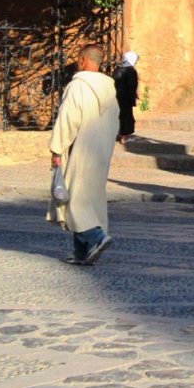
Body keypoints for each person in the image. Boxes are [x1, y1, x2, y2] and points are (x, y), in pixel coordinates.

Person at [47, 43, 119, 266]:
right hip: (101, 151)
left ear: (83, 60)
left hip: (81, 149)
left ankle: (97, 238)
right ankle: (82, 252)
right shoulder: (110, 89)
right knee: (91, 198)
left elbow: (68, 118)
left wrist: (57, 148)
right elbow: (116, 121)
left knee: (74, 201)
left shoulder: (78, 86)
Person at [113, 51, 139, 145]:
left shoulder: (117, 69)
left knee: (119, 116)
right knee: (127, 117)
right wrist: (134, 97)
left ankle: (119, 135)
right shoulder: (130, 71)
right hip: (125, 98)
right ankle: (124, 137)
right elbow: (132, 86)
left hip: (116, 97)